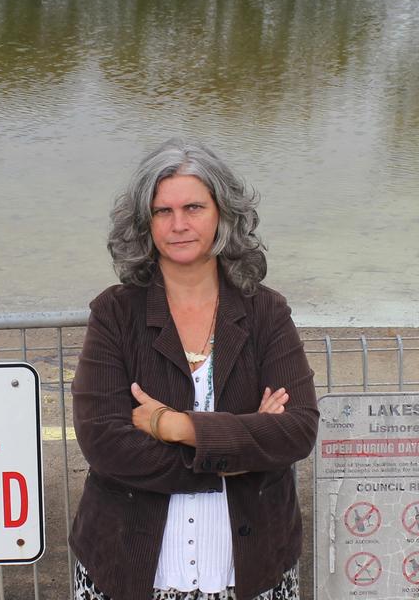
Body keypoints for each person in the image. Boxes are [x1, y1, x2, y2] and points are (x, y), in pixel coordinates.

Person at [70, 138, 319, 600]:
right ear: (144, 223)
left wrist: (176, 426)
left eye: (193, 207)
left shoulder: (266, 312)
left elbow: (298, 430)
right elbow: (104, 442)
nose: (179, 224)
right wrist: (238, 454)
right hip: (128, 569)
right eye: (162, 211)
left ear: (223, 214)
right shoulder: (115, 313)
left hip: (250, 571)